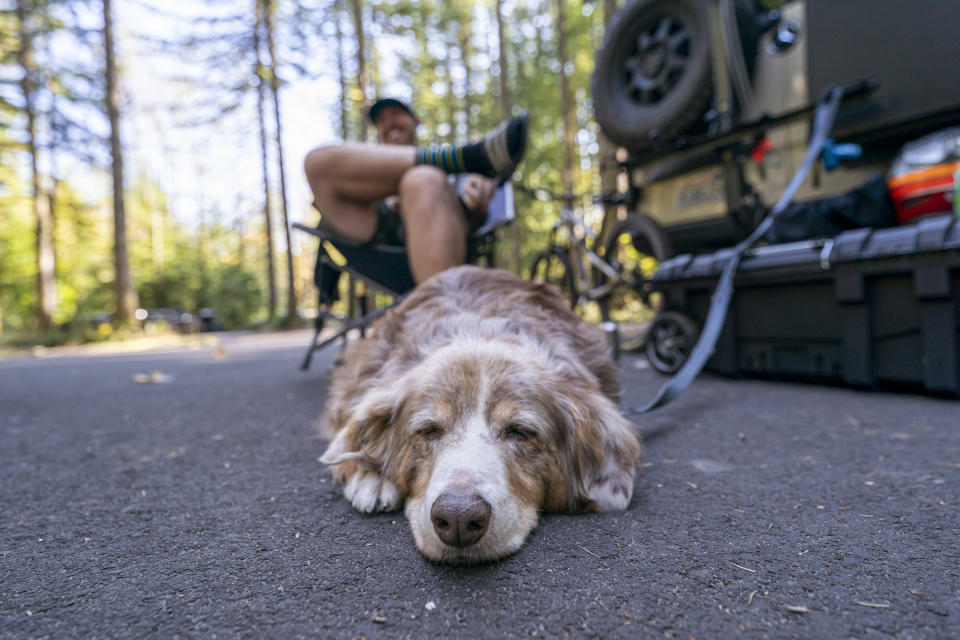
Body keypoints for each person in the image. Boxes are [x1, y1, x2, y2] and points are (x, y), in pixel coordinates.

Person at [304, 98, 528, 284]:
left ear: (416, 121)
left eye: (396, 114)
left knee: (423, 178)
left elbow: (481, 192)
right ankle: (473, 157)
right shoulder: (355, 169)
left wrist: (481, 185)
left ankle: (440, 313)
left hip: (442, 235)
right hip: (378, 244)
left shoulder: (456, 177)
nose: (389, 122)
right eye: (381, 120)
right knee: (315, 162)